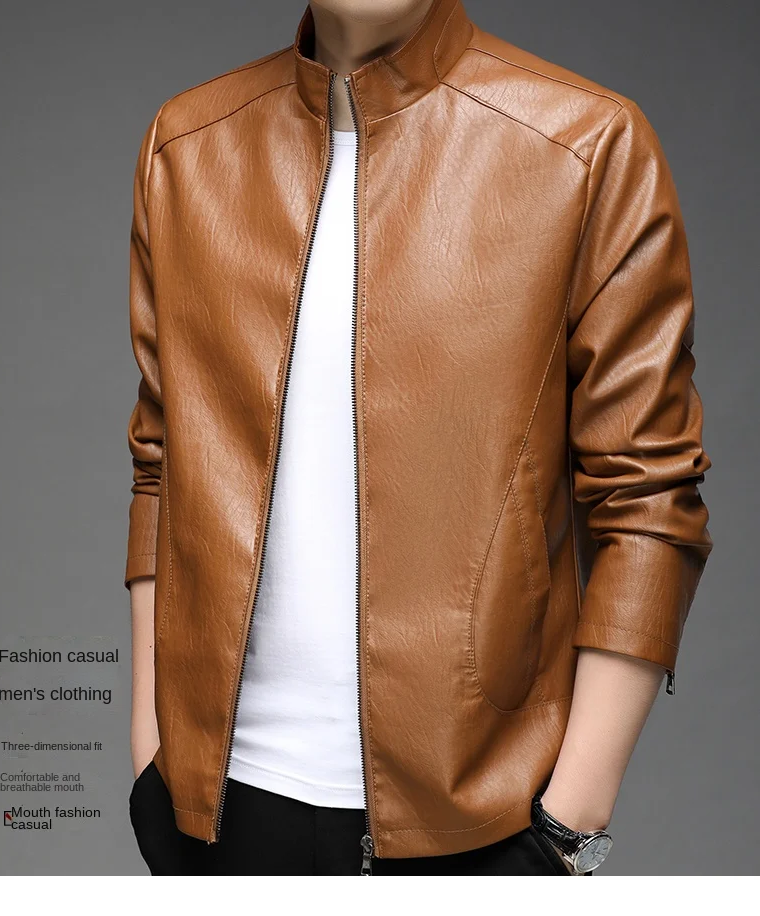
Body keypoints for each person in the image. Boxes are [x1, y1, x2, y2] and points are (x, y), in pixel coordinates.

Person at [124, 0, 713, 876]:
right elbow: (162, 461)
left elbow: (649, 498)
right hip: (215, 815)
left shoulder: (585, 146)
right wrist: (154, 759)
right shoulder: (187, 145)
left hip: (481, 830)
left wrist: (567, 825)